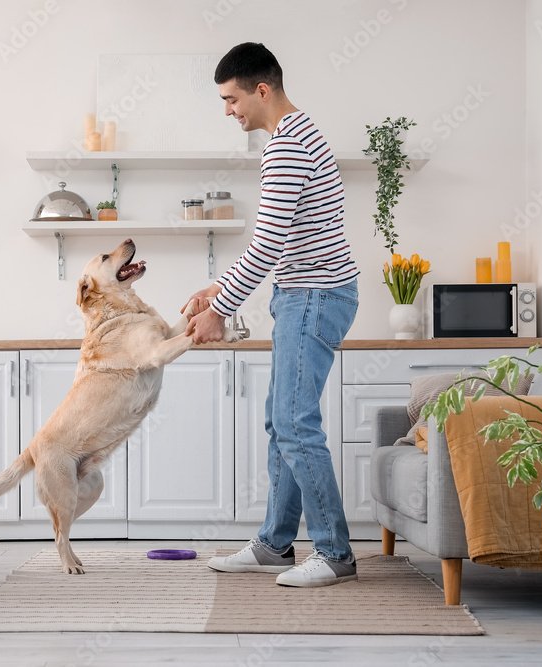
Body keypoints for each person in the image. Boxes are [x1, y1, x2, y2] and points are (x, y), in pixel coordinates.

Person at [184, 42, 360, 587]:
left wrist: (219, 309)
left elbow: (265, 245)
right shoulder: (298, 136)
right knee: (281, 422)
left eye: (231, 99)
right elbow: (280, 240)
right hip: (306, 293)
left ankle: (334, 553)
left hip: (313, 294)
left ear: (262, 90)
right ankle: (275, 544)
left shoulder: (287, 148)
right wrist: (221, 287)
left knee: (294, 424)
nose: (229, 111)